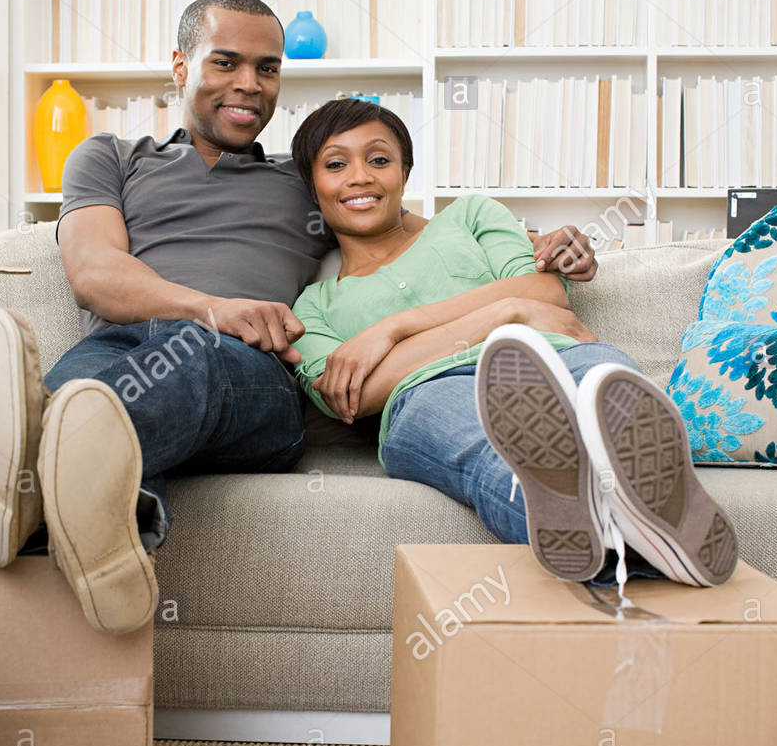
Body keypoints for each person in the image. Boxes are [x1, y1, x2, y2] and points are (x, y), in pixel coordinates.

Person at [0, 0, 599, 635]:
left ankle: (27, 477)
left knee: (185, 362)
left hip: (250, 372)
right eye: (226, 62)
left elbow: (407, 234)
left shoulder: (302, 179)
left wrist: (537, 249)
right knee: (83, 391)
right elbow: (95, 275)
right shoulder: (110, 158)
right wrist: (213, 307)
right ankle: (92, 516)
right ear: (180, 66)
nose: (249, 85)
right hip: (123, 341)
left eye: (267, 68)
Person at [288, 97, 739, 586]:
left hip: (556, 351)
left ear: (404, 172)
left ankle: (636, 508)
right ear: (312, 185)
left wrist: (392, 332)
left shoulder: (470, 216)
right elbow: (352, 397)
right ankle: (641, 540)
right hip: (430, 392)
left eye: (379, 159)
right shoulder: (312, 306)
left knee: (609, 391)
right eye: (336, 164)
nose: (361, 176)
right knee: (505, 461)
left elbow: (543, 291)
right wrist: (506, 312)